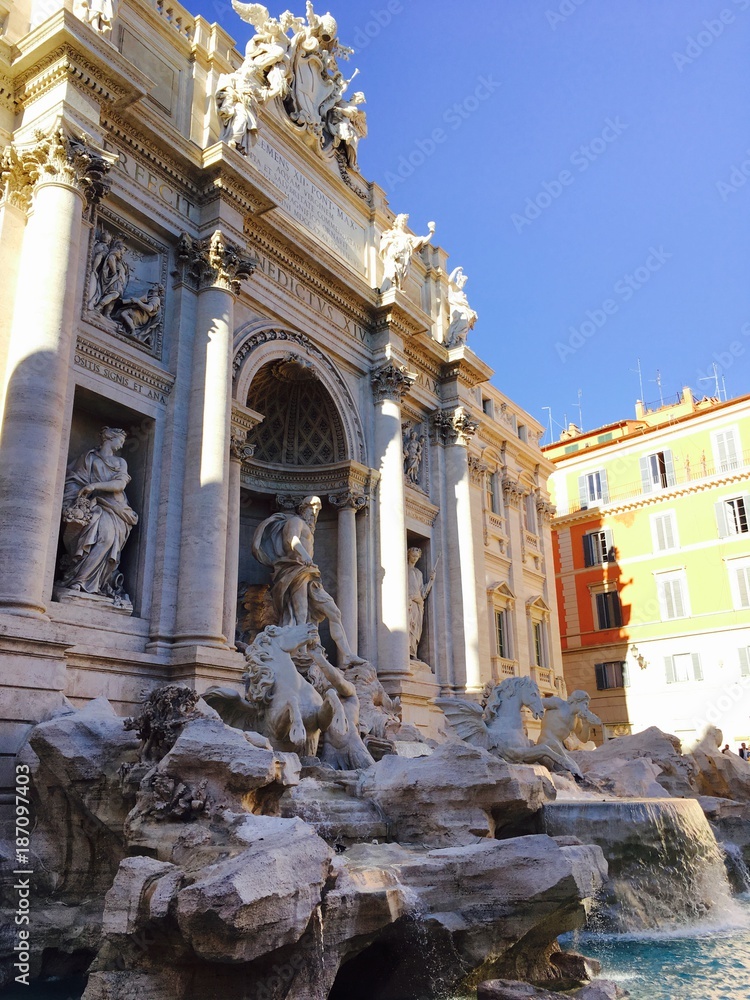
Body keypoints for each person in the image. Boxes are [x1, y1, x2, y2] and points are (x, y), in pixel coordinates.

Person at [252, 496, 363, 667]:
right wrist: (303, 554)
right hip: (294, 570)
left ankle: (347, 655)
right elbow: (292, 539)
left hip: (309, 573)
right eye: (312, 507)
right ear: (303, 508)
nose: (315, 512)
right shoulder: (295, 521)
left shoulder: (309, 529)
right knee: (301, 613)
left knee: (334, 612)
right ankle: (300, 653)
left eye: (318, 508)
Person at [58, 427, 138, 601]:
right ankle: (78, 580)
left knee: (107, 539)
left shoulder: (120, 462)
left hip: (116, 508)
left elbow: (119, 485)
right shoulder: (89, 458)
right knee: (92, 533)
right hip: (93, 506)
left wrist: (94, 486)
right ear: (110, 438)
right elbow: (74, 480)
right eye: (121, 440)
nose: (122, 444)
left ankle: (90, 582)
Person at [379, 214, 435, 292]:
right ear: (397, 222)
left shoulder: (407, 237)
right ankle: (389, 287)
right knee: (391, 272)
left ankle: (397, 286)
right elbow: (384, 242)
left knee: (402, 274)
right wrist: (396, 242)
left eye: (404, 221)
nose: (403, 222)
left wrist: (431, 232)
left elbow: (423, 240)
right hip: (394, 257)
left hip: (404, 260)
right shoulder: (391, 233)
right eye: (402, 220)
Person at [406, 547, 438, 659]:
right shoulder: (404, 570)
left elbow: (423, 592)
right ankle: (407, 652)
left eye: (417, 557)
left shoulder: (418, 573)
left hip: (418, 604)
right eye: (413, 556)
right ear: (408, 555)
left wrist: (431, 580)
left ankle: (413, 653)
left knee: (416, 629)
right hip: (409, 602)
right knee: (409, 626)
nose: (414, 558)